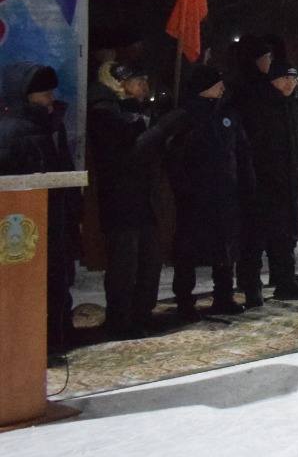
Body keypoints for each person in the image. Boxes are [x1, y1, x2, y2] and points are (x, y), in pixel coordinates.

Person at [88, 61, 182, 337]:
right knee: (124, 266)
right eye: (137, 80)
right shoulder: (104, 111)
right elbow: (129, 153)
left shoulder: (137, 111)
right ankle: (120, 320)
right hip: (121, 199)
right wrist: (160, 129)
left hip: (145, 196)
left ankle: (142, 313)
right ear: (120, 83)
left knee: (150, 261)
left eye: (145, 80)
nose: (144, 86)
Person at [0, 62, 83, 351]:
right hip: (27, 225)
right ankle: (39, 345)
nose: (51, 99)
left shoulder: (50, 127)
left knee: (57, 282)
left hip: (53, 218)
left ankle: (59, 336)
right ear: (26, 96)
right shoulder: (13, 132)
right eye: (44, 94)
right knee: (36, 285)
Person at [166, 64, 254, 317]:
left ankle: (223, 296)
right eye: (217, 84)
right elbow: (174, 157)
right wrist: (183, 187)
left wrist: (246, 183)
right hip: (195, 194)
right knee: (188, 249)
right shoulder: (185, 116)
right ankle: (184, 301)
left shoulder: (228, 114)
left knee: (225, 246)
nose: (222, 87)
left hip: (226, 191)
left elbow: (242, 151)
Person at [237, 62, 298, 304]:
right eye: (284, 78)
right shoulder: (257, 106)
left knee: (286, 234)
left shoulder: (296, 106)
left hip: (289, 182)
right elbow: (248, 148)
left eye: (294, 79)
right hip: (262, 183)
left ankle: (285, 281)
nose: (290, 84)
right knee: (256, 237)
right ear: (272, 80)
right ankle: (250, 283)